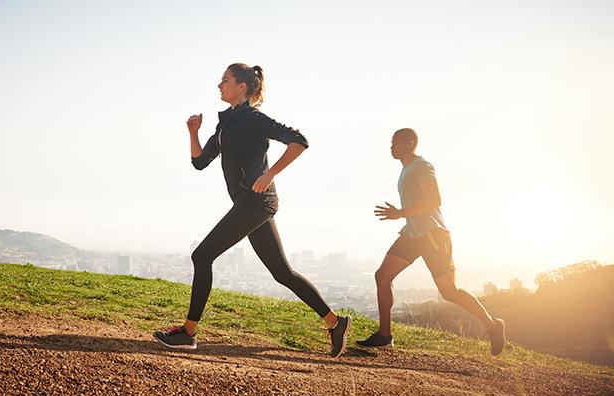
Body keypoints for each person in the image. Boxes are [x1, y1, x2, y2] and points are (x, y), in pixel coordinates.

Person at [153, 63, 351, 357]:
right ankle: (335, 322)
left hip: (256, 202)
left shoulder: (254, 119)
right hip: (249, 204)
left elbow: (299, 142)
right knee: (282, 273)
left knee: (202, 256)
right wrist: (193, 132)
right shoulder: (225, 124)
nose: (219, 86)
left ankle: (188, 332)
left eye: (225, 80)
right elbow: (200, 162)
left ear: (241, 87)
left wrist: (269, 174)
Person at [357, 128, 507, 355]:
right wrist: (404, 218)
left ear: (409, 143)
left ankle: (493, 325)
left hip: (432, 235)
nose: (391, 147)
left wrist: (401, 213)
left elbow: (434, 200)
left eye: (395, 143)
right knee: (383, 276)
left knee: (449, 291)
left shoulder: (422, 166)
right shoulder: (406, 169)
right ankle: (384, 336)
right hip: (412, 233)